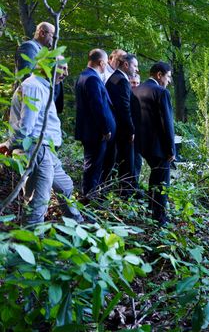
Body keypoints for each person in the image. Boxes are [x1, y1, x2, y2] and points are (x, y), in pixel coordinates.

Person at [0, 55, 84, 225]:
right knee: (38, 200)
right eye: (62, 68)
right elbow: (26, 126)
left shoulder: (43, 87)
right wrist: (9, 145)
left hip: (46, 149)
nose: (66, 73)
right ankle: (29, 241)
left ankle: (76, 223)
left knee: (65, 186)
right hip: (36, 147)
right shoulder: (33, 87)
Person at [133, 62, 175, 225]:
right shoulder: (161, 92)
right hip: (159, 146)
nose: (169, 81)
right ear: (159, 75)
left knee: (154, 175)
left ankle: (152, 208)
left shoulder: (137, 90)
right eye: (168, 76)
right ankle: (159, 217)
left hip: (141, 144)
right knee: (163, 180)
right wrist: (171, 149)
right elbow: (167, 122)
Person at [75, 49, 116, 199]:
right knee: (93, 168)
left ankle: (90, 197)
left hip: (92, 132)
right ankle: (88, 199)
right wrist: (105, 129)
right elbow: (97, 106)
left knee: (93, 167)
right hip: (95, 133)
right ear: (101, 62)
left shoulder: (84, 76)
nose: (106, 66)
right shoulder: (92, 78)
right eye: (105, 63)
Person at [103, 53, 139, 194]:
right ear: (126, 65)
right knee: (126, 165)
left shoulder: (113, 79)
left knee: (117, 162)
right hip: (122, 131)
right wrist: (131, 130)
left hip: (116, 128)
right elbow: (124, 108)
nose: (136, 69)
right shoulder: (121, 81)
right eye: (135, 65)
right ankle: (126, 195)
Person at [15, 22, 64, 114]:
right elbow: (27, 76)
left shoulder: (44, 52)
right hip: (32, 102)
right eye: (53, 36)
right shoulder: (29, 47)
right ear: (42, 33)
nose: (55, 40)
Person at [129, 72, 143, 186]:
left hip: (139, 136)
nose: (136, 85)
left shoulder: (140, 96)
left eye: (138, 83)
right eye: (133, 82)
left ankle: (135, 184)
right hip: (128, 134)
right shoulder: (126, 96)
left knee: (138, 161)